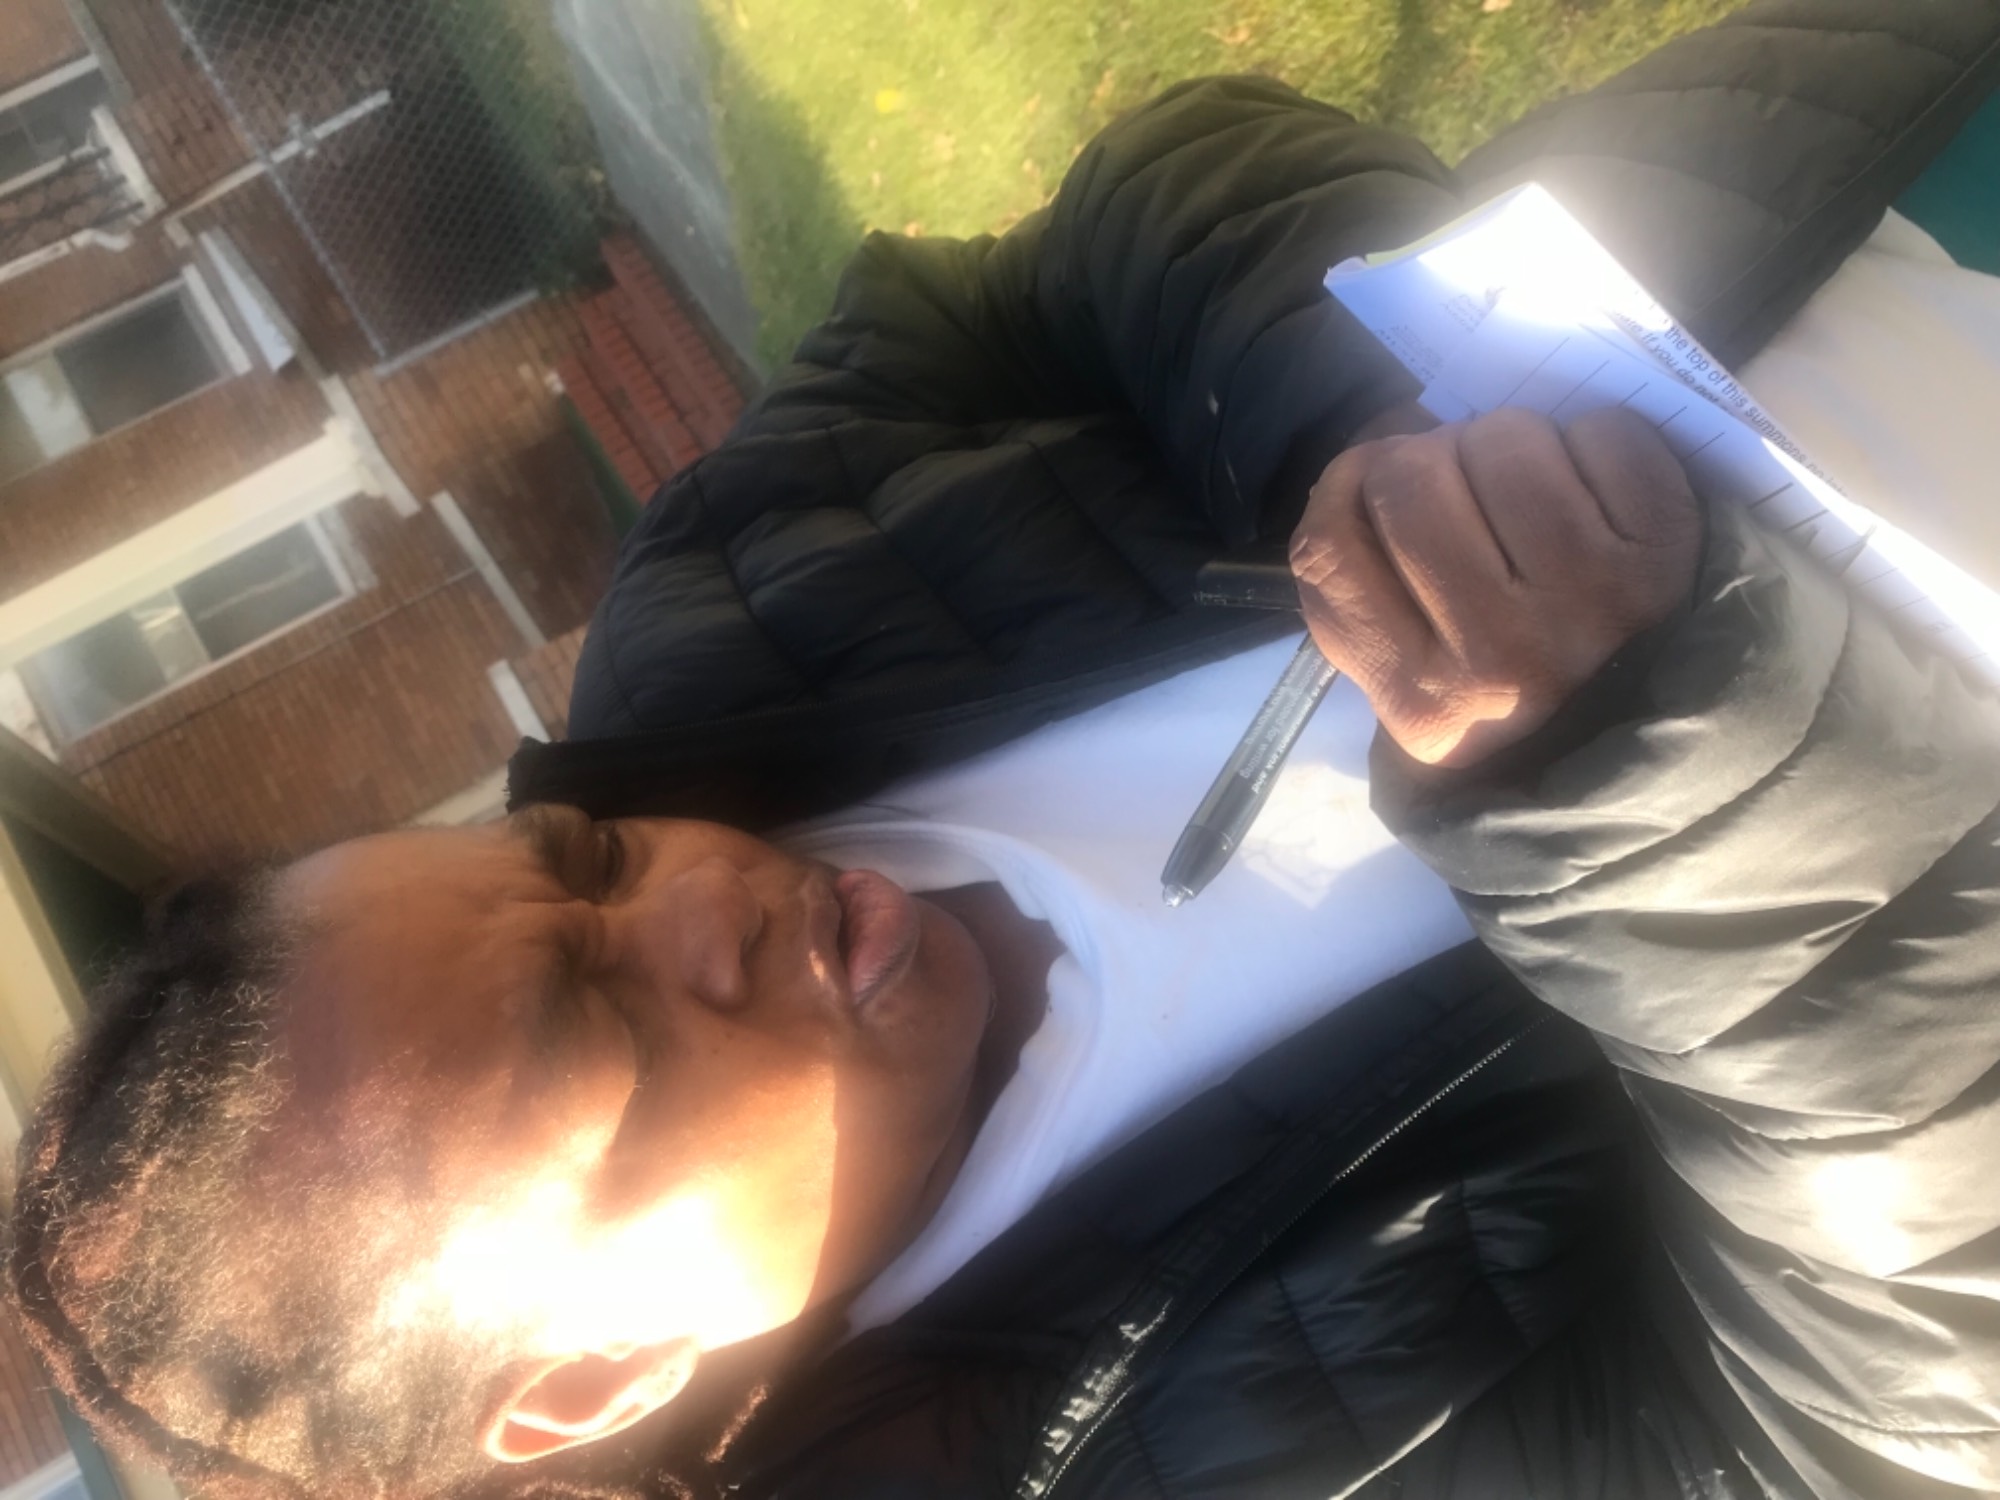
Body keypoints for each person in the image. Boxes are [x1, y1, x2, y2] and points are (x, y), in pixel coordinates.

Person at [10, 4, 2000, 1499]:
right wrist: (1655, 762)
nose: (697, 887)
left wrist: (1377, 422)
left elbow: (1111, 222)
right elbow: (1880, 1429)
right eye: (612, 1036)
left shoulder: (718, 614)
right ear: (588, 1382)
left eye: (579, 870)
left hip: (1885, 175)